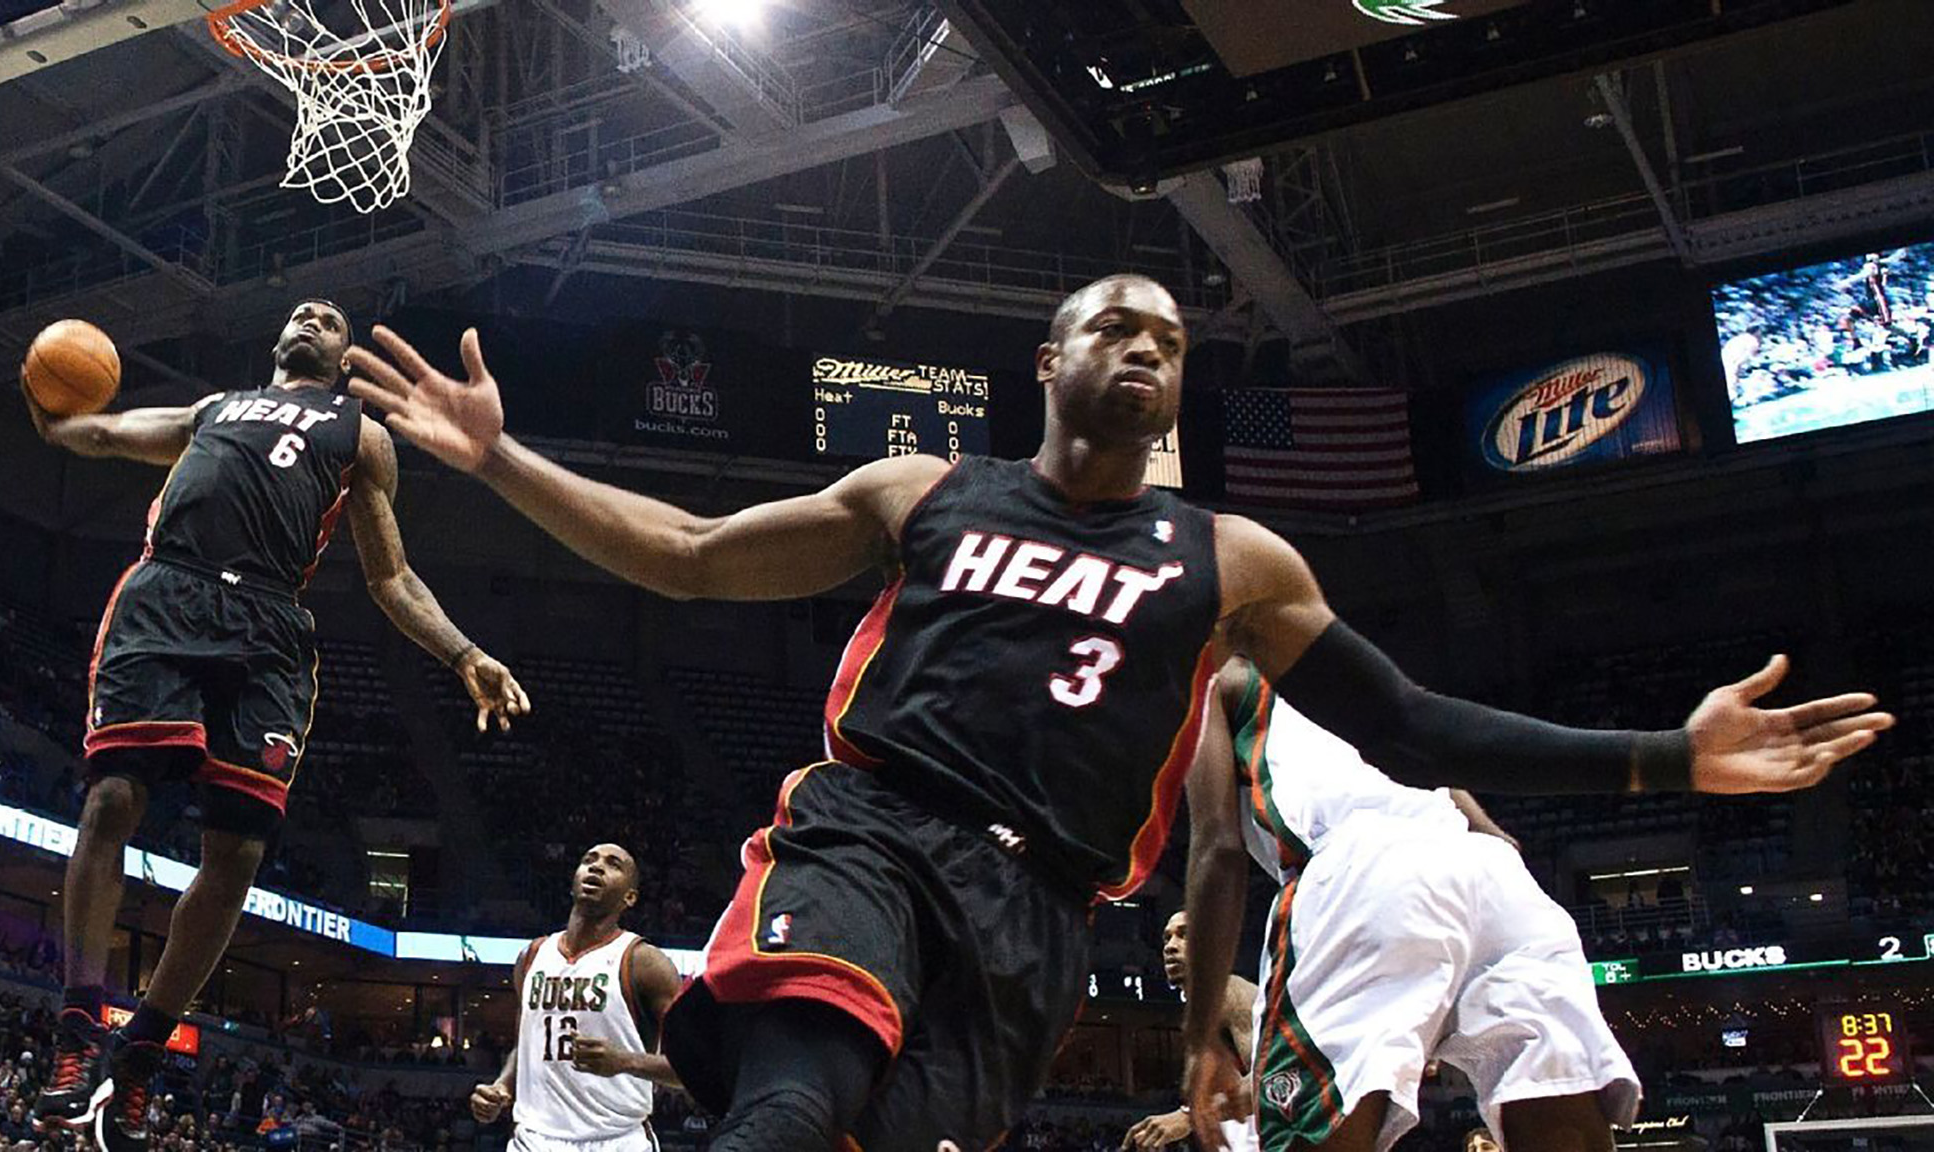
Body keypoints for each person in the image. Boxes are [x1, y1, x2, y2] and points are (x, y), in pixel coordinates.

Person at [347, 273, 1890, 1152]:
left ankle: (724, 1054)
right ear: (1051, 359)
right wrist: (497, 462)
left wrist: (1666, 756)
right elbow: (685, 559)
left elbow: (1414, 725)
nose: (1149, 346)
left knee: (878, 1127)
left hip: (1036, 903)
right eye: (1119, 326)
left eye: (1170, 337)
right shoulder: (926, 490)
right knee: (805, 1080)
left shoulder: (1236, 564)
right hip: (872, 830)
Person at [23, 300, 529, 1152]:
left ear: (341, 356)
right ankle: (78, 1028)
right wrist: (54, 419)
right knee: (112, 798)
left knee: (240, 853)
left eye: (332, 319)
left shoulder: (360, 435)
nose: (313, 316)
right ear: (277, 339)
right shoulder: (211, 409)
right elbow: (106, 434)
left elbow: (392, 578)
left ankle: (142, 1050)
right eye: (303, 311)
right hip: (167, 594)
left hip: (268, 626)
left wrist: (463, 653)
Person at [1178, 659, 1642, 1151]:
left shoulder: (1213, 681)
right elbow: (1497, 837)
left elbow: (1218, 848)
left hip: (1364, 870)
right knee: (1565, 1126)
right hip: (1493, 876)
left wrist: (1201, 1036)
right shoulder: (1351, 670)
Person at [469, 843, 682, 1152]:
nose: (596, 867)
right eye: (589, 860)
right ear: (574, 880)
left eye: (613, 864)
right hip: (533, 1139)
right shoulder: (531, 957)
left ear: (630, 897)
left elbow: (691, 1068)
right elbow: (526, 1045)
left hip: (616, 1140)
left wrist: (624, 1061)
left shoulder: (645, 963)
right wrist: (501, 1086)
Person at [1123, 911, 1257, 1152]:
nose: (1171, 947)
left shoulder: (1229, 991)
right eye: (1167, 938)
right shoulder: (1200, 1009)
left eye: (1184, 935)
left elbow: (1272, 1078)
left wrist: (1187, 1116)